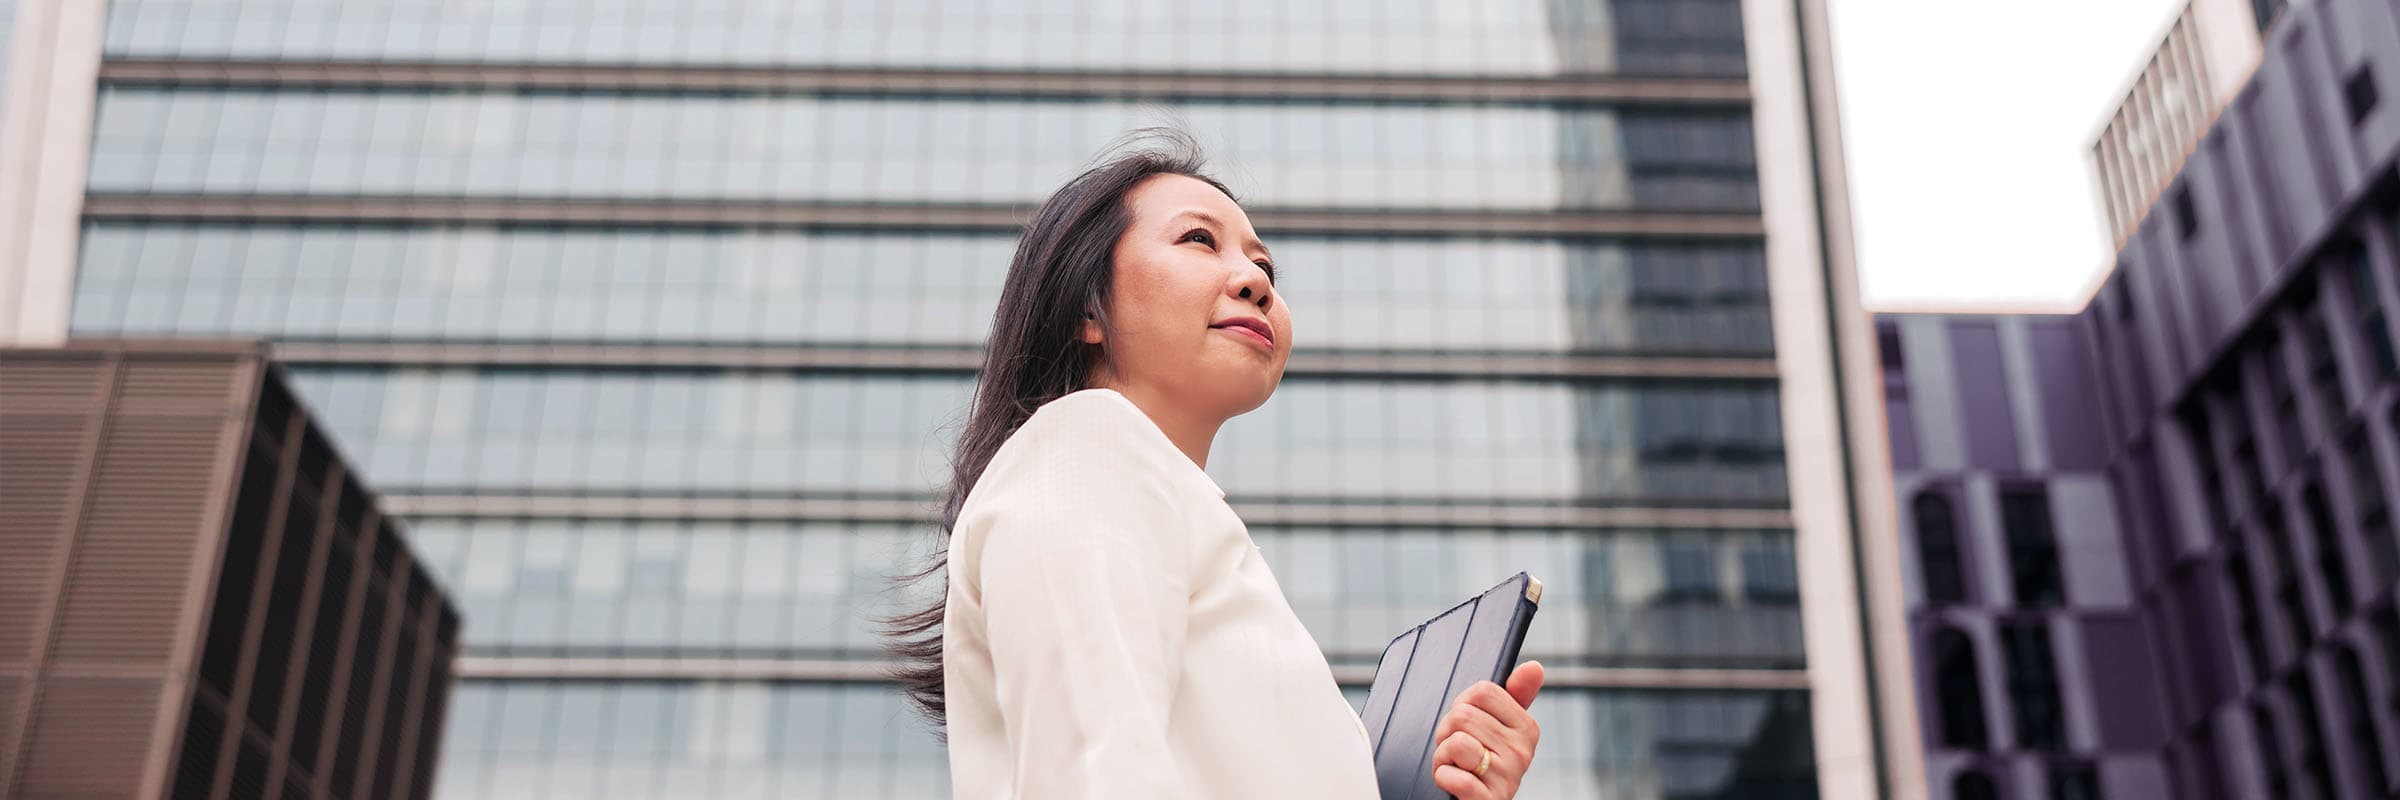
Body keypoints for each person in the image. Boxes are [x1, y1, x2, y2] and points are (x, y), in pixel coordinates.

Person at [883, 132, 1544, 799]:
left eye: (1266, 269)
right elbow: (1098, 775)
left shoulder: (1172, 510)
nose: (1256, 282)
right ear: (1089, 306)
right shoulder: (1082, 447)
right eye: (1199, 240)